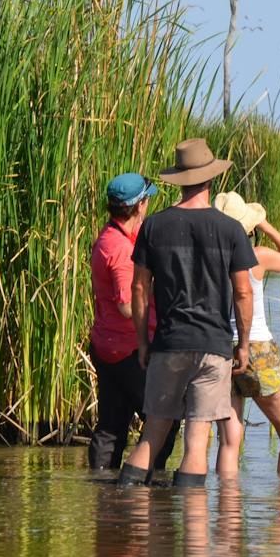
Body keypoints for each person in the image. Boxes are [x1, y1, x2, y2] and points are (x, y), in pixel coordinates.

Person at [117, 138, 257, 489]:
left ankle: (125, 513)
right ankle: (195, 535)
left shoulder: (154, 227)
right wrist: (242, 346)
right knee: (196, 440)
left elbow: (139, 288)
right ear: (210, 180)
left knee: (152, 434)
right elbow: (243, 291)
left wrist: (143, 342)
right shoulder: (231, 230)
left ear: (180, 178)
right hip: (213, 346)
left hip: (168, 344)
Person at [212, 193, 280, 478]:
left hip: (219, 347)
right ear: (249, 228)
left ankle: (227, 512)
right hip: (256, 348)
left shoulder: (211, 258)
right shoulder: (258, 255)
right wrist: (265, 225)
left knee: (229, 441)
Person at [88, 172, 176, 472]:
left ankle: (104, 494)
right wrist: (161, 287)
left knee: (112, 426)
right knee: (164, 419)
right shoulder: (120, 249)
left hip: (106, 345)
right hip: (128, 350)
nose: (149, 203)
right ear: (139, 205)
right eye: (147, 199)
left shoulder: (111, 236)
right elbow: (127, 305)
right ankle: (144, 480)